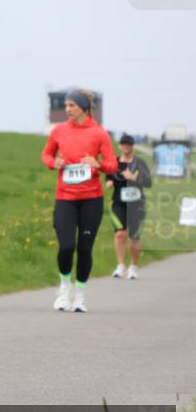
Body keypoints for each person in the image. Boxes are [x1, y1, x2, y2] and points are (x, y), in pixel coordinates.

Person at [40, 89, 118, 312]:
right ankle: (65, 287)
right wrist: (52, 162)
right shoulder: (59, 131)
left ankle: (80, 295)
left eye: (72, 105)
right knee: (66, 246)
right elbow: (45, 155)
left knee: (84, 249)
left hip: (91, 199)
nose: (67, 109)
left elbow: (113, 164)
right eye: (65, 105)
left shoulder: (99, 133)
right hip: (65, 198)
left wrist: (98, 164)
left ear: (84, 107)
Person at [106, 133, 152, 279]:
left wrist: (133, 177)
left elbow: (148, 183)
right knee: (120, 234)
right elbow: (108, 178)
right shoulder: (113, 162)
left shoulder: (140, 163)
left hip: (137, 204)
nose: (126, 146)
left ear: (132, 146)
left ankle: (133, 266)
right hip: (118, 202)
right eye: (123, 143)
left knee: (134, 237)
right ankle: (120, 266)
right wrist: (109, 183)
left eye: (129, 144)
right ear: (119, 146)